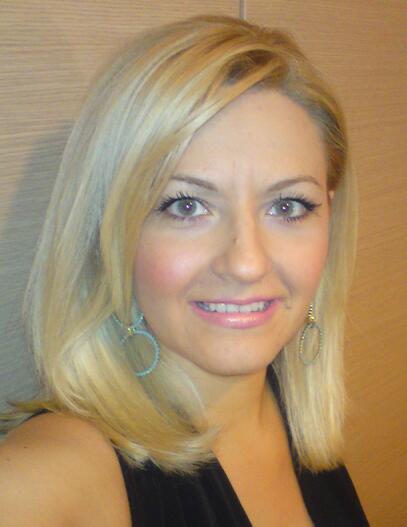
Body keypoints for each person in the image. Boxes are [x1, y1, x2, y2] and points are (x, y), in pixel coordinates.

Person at [0, 14, 369, 527]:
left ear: (329, 211)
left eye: (287, 206)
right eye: (186, 206)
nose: (246, 263)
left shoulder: (289, 411)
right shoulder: (54, 478)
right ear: (111, 231)